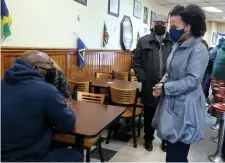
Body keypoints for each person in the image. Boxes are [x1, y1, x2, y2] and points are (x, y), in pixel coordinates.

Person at [152, 5, 209, 162]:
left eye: (175, 26)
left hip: (186, 109)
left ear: (188, 27)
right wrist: (161, 84)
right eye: (170, 26)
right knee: (171, 153)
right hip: (172, 104)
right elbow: (169, 72)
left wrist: (166, 88)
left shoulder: (198, 49)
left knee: (177, 156)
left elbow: (192, 81)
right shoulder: (178, 45)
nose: (171, 30)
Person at [1, 50, 81, 162]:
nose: (53, 67)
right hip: (27, 158)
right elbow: (67, 123)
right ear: (35, 67)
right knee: (75, 155)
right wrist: (67, 108)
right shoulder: (46, 90)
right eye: (49, 63)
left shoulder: (2, 84)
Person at [133, 14, 173, 152]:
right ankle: (148, 139)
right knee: (149, 114)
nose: (160, 24)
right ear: (153, 23)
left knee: (166, 115)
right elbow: (136, 62)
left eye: (163, 22)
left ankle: (165, 140)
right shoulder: (143, 41)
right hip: (149, 85)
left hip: (168, 86)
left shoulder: (173, 41)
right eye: (157, 22)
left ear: (167, 24)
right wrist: (143, 78)